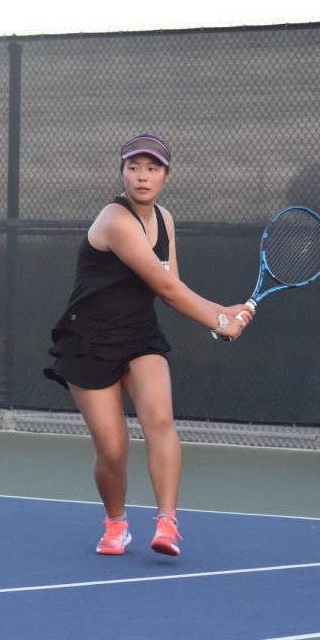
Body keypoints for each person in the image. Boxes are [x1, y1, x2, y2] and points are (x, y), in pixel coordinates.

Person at [44, 134, 253, 557]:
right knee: (113, 449)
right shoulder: (115, 221)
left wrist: (222, 311)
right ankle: (116, 524)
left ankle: (166, 523)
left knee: (159, 418)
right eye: (134, 167)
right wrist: (219, 322)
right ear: (122, 172)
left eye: (152, 168)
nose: (143, 176)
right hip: (90, 341)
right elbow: (164, 286)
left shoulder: (165, 220)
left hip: (139, 337)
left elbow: (171, 286)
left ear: (166, 175)